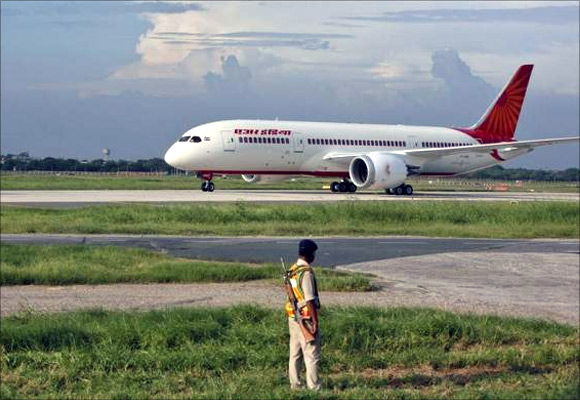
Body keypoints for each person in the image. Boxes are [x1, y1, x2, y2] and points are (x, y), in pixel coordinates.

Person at [285, 239, 321, 391]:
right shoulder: (305, 274)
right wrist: (314, 321)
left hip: (293, 317)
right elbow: (310, 300)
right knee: (311, 354)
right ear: (310, 255)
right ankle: (314, 388)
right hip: (305, 318)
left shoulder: (292, 270)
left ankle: (295, 386)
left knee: (295, 353)